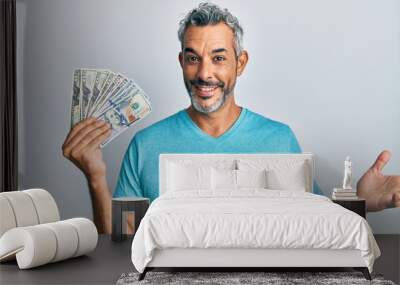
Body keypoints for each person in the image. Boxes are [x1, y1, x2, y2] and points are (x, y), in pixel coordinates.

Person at [62, 3, 400, 234]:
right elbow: (119, 247)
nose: (204, 73)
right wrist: (95, 176)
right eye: (193, 58)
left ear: (241, 63)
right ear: (181, 61)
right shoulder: (145, 145)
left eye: (219, 58)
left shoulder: (280, 139)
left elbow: (314, 227)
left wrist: (360, 202)